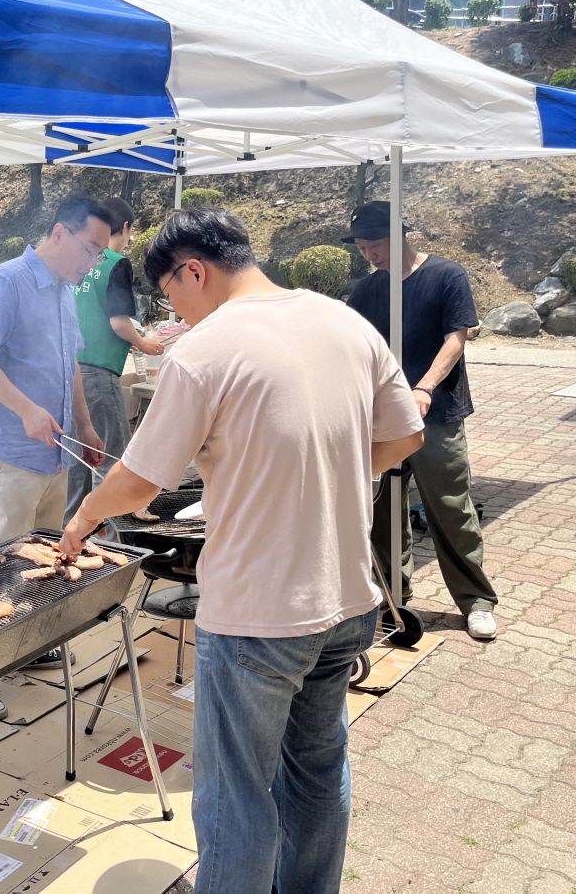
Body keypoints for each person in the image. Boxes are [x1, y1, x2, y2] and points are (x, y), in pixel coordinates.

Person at [59, 207, 423, 894]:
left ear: (193, 271)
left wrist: (84, 514)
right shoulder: (343, 320)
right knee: (317, 772)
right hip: (348, 601)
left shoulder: (205, 350)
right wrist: (328, 472)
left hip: (259, 615)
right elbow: (404, 439)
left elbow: (139, 484)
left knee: (236, 793)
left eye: (171, 294)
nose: (175, 315)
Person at [0, 196, 112, 720]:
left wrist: (85, 426)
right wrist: (25, 408)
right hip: (14, 445)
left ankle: (22, 644)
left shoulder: (66, 292)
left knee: (39, 554)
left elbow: (70, 364)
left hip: (57, 451)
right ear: (59, 233)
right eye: (90, 249)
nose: (93, 262)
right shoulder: (8, 280)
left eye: (100, 254)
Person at [343, 200, 500, 640]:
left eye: (376, 245)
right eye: (362, 248)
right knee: (382, 511)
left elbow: (456, 339)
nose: (370, 255)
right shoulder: (368, 289)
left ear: (401, 236)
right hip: (381, 419)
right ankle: (393, 596)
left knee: (450, 507)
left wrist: (424, 388)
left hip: (437, 413)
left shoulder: (446, 275)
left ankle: (476, 601)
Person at [65, 197, 164, 523]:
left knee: (79, 459)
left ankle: (70, 531)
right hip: (98, 371)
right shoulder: (116, 263)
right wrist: (142, 342)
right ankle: (110, 534)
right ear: (124, 227)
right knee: (111, 457)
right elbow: (119, 323)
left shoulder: (78, 260)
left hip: (70, 369)